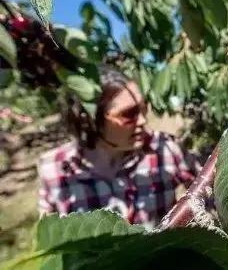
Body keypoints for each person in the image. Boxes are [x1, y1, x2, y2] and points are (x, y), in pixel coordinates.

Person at [37, 66, 200, 229]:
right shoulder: (54, 170)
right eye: (129, 114)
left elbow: (210, 192)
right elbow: (49, 238)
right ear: (91, 120)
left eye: (143, 109)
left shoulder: (164, 149)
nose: (143, 121)